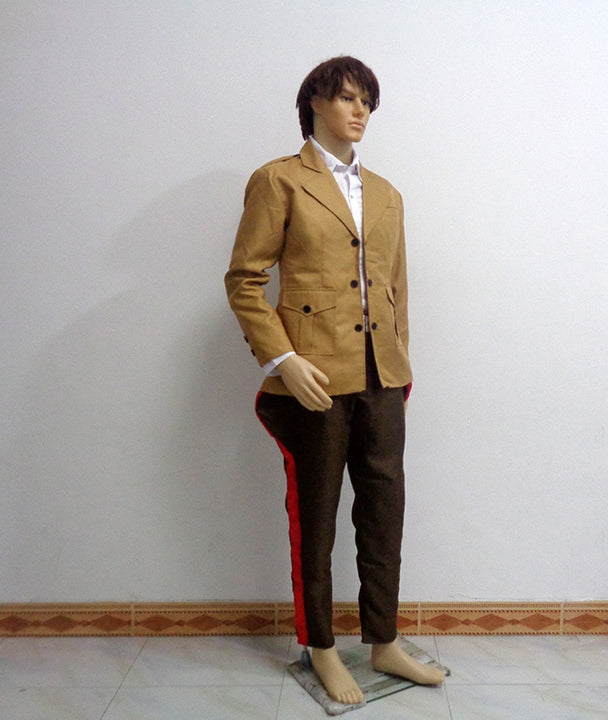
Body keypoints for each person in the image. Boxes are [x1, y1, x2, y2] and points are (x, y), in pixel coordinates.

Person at [225, 56, 445, 705]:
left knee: (384, 511)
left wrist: (399, 364)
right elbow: (244, 280)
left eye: (367, 102)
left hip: (382, 379)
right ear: (315, 102)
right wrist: (283, 360)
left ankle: (384, 640)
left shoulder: (386, 193)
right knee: (315, 515)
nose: (359, 111)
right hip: (312, 377)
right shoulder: (279, 180)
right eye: (347, 98)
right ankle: (320, 646)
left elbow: (397, 287)